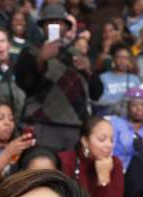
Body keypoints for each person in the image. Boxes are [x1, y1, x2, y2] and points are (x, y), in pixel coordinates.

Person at [15, 3, 103, 152]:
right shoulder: (31, 51)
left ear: (66, 27)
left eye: (58, 22)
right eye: (49, 22)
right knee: (41, 171)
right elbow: (24, 83)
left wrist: (89, 71)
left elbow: (97, 93)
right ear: (42, 27)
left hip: (75, 127)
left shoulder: (78, 54)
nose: (53, 25)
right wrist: (40, 60)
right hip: (41, 124)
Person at [60, 117, 125, 197]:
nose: (109, 145)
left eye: (112, 140)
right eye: (102, 139)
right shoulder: (66, 160)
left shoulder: (115, 163)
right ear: (85, 141)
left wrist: (104, 179)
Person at [94, 44, 141, 114]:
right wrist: (120, 101)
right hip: (108, 115)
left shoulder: (134, 79)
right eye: (119, 57)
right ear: (114, 59)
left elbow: (140, 99)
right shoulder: (102, 78)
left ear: (129, 61)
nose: (122, 61)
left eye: (126, 58)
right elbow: (98, 100)